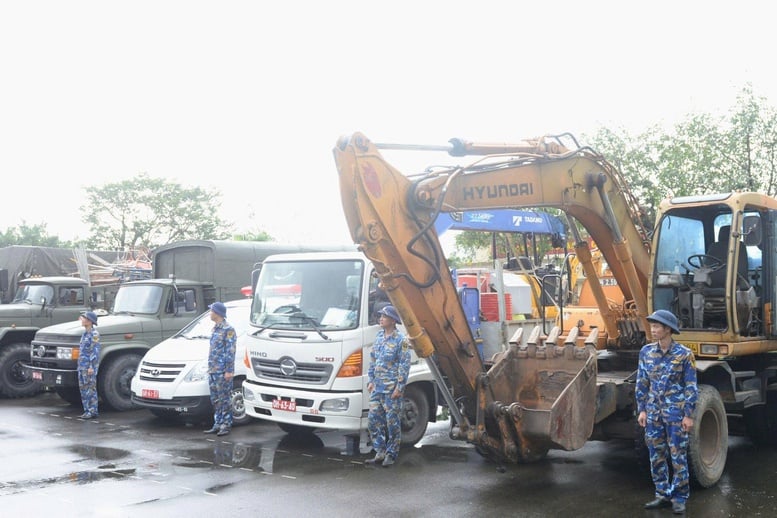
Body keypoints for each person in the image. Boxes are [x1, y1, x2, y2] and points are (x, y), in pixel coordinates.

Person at [636, 309, 698, 515]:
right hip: (653, 413)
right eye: (652, 326)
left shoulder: (684, 354)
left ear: (668, 329)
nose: (653, 330)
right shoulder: (646, 352)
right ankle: (662, 494)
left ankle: (679, 497)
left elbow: (691, 386)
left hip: (676, 415)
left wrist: (688, 414)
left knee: (678, 455)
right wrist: (642, 410)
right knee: (656, 454)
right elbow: (642, 382)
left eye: (657, 326)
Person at [365, 305, 411, 467]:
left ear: (393, 320)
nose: (381, 319)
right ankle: (380, 451)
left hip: (391, 389)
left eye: (384, 316)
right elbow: (373, 359)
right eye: (381, 316)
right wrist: (370, 380)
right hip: (377, 388)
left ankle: (391, 454)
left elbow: (404, 365)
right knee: (373, 421)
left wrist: (400, 387)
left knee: (392, 423)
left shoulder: (401, 340)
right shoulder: (379, 337)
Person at [203, 301, 237, 437]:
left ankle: (226, 425)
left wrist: (229, 370)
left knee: (224, 399)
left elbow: (230, 351)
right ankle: (217, 423)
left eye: (212, 311)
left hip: (222, 371)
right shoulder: (215, 328)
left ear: (217, 313)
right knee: (215, 399)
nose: (210, 313)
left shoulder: (228, 329)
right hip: (213, 370)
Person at [77, 311, 101, 419]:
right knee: (83, 389)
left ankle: (93, 411)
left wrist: (91, 366)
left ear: (90, 321)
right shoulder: (84, 334)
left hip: (89, 367)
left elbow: (94, 351)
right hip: (82, 366)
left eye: (84, 318)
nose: (81, 320)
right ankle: (87, 410)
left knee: (90, 389)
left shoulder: (94, 334)